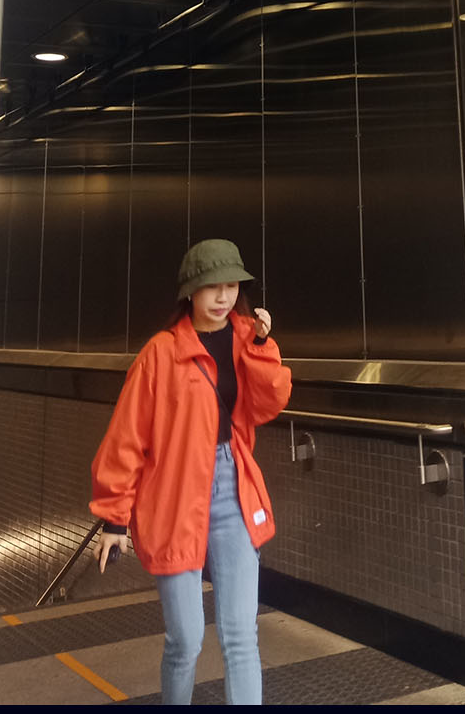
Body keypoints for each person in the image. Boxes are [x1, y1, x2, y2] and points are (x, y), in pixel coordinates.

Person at [89, 238, 291, 705]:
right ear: (190, 293)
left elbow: (269, 402)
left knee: (241, 635)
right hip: (174, 496)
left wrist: (262, 345)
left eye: (230, 287)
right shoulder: (160, 354)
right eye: (211, 287)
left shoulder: (245, 337)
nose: (223, 297)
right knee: (186, 640)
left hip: (231, 488)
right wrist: (115, 519)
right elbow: (127, 438)